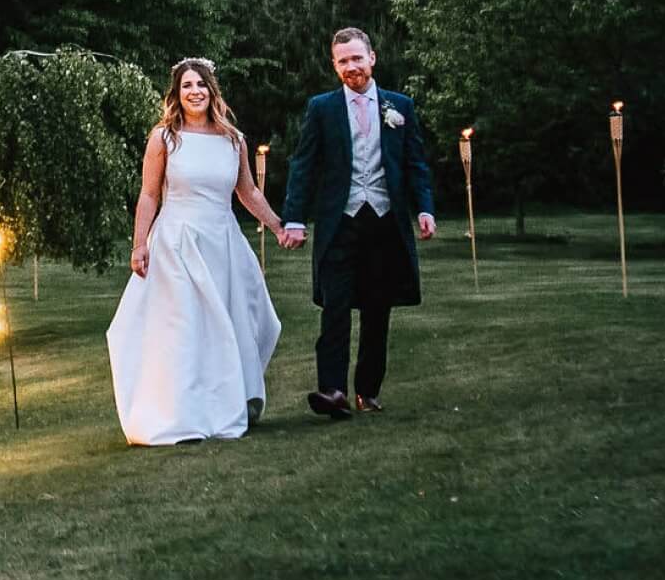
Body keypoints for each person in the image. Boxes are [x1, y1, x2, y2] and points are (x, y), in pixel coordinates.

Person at [105, 57, 288, 445]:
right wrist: (140, 245)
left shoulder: (232, 139)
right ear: (177, 93)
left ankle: (228, 404)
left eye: (201, 85)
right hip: (177, 242)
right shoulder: (164, 138)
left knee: (233, 324)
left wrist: (276, 224)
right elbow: (149, 194)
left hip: (222, 242)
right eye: (187, 85)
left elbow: (248, 192)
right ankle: (181, 415)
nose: (195, 92)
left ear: (211, 90)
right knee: (185, 328)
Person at [276, 27, 436, 419]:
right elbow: (304, 166)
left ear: (372, 58)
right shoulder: (322, 108)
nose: (352, 67)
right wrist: (294, 217)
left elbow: (415, 162)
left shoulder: (400, 106)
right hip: (339, 223)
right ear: (334, 65)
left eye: (357, 58)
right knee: (335, 307)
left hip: (384, 222)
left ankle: (367, 390)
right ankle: (333, 391)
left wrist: (425, 208)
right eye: (343, 61)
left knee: (377, 309)